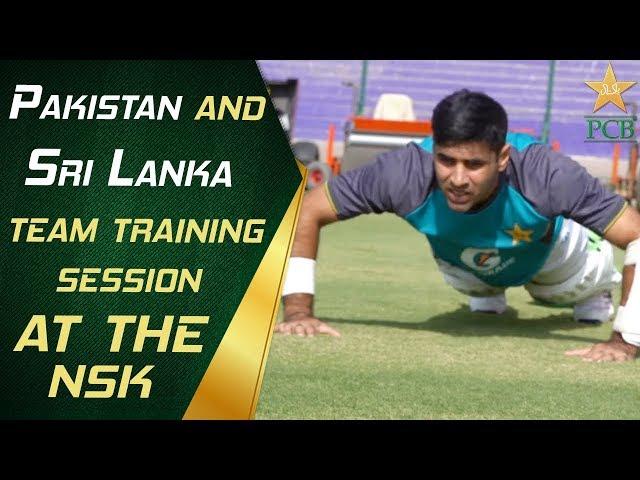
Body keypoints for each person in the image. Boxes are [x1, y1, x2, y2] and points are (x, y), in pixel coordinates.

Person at [276, 89, 640, 362]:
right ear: (434, 148)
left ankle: (593, 295)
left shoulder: (547, 173)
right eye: (446, 160)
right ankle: (488, 293)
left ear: (502, 158)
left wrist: (627, 339)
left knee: (563, 293)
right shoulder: (403, 172)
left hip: (553, 254)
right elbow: (309, 210)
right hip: (465, 262)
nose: (458, 179)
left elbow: (636, 235)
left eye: (474, 165)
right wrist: (297, 312)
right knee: (479, 298)